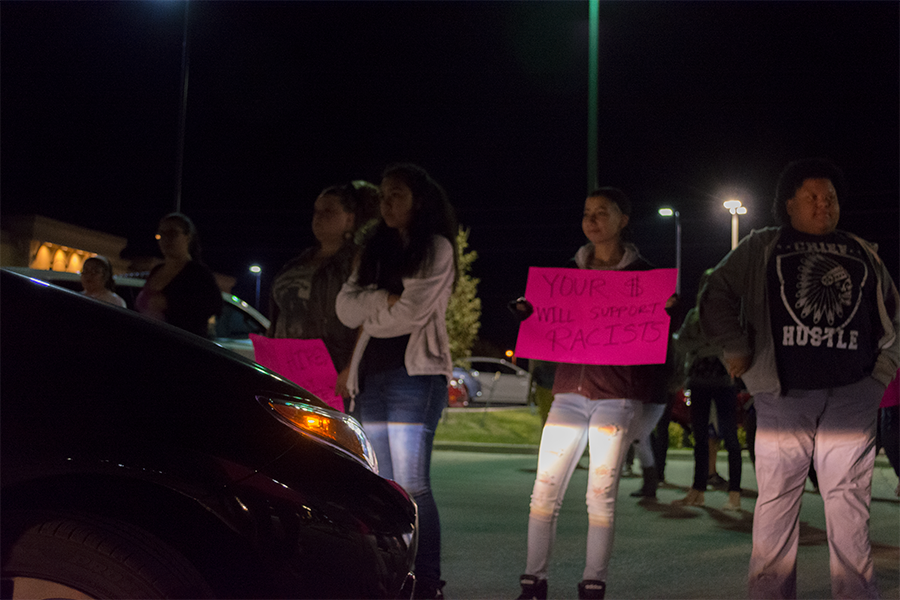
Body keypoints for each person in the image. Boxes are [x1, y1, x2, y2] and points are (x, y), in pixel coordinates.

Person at [699, 158, 900, 600]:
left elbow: (893, 319)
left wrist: (878, 380)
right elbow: (715, 294)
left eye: (829, 198)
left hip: (852, 396)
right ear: (787, 204)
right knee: (776, 507)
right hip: (781, 396)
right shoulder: (761, 246)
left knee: (849, 509)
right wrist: (735, 347)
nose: (823, 205)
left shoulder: (863, 252)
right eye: (811, 197)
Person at [511, 188, 671, 600]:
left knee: (600, 495)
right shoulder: (565, 275)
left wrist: (668, 312)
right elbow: (546, 323)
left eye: (603, 213)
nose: (592, 220)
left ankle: (593, 583)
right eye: (586, 213)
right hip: (567, 392)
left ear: (623, 219)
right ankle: (533, 581)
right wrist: (528, 313)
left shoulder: (645, 278)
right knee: (544, 491)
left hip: (616, 396)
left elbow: (660, 344)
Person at [335, 163, 457, 600]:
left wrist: (378, 307)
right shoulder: (375, 248)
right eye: (383, 195)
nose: (386, 204)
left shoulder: (436, 247)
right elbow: (345, 309)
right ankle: (391, 577)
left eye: (397, 195)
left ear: (419, 200)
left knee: (411, 483)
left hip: (415, 377)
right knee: (382, 484)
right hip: (371, 376)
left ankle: (427, 582)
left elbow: (411, 313)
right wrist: (381, 299)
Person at [268, 181, 380, 406]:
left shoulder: (356, 262)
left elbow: (365, 316)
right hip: (287, 365)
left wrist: (351, 366)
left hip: (328, 367)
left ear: (349, 218)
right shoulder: (298, 262)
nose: (318, 218)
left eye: (328, 211)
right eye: (316, 211)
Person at [672, 272, 742, 510]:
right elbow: (681, 343)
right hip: (698, 382)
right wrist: (710, 345)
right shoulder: (694, 316)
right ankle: (697, 490)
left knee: (730, 437)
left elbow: (735, 344)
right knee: (699, 437)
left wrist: (703, 346)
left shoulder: (730, 314)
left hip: (724, 382)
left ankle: (735, 493)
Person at [136, 212, 222, 338]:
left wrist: (171, 304)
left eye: (172, 233)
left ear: (188, 237)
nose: (166, 239)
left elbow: (214, 307)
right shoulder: (156, 270)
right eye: (161, 234)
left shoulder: (198, 273)